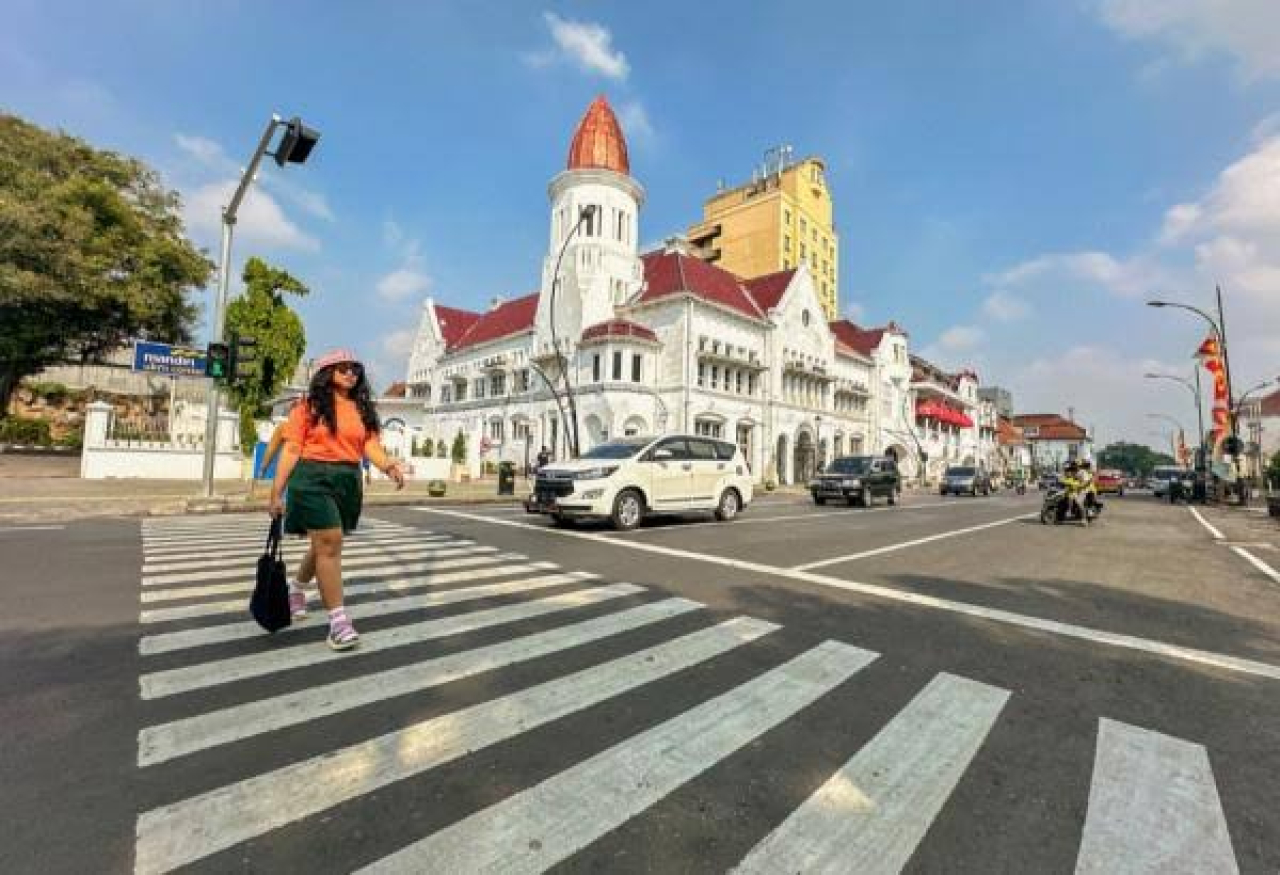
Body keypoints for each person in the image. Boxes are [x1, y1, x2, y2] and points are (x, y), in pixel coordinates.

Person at [269, 349, 406, 650]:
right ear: (327, 372)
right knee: (330, 541)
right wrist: (276, 491)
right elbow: (291, 449)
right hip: (311, 477)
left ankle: (296, 588)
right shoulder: (308, 407)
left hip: (346, 480)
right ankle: (338, 622)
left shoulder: (362, 409)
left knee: (324, 543)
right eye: (342, 368)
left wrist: (390, 466)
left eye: (355, 368)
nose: (350, 373)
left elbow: (370, 446)